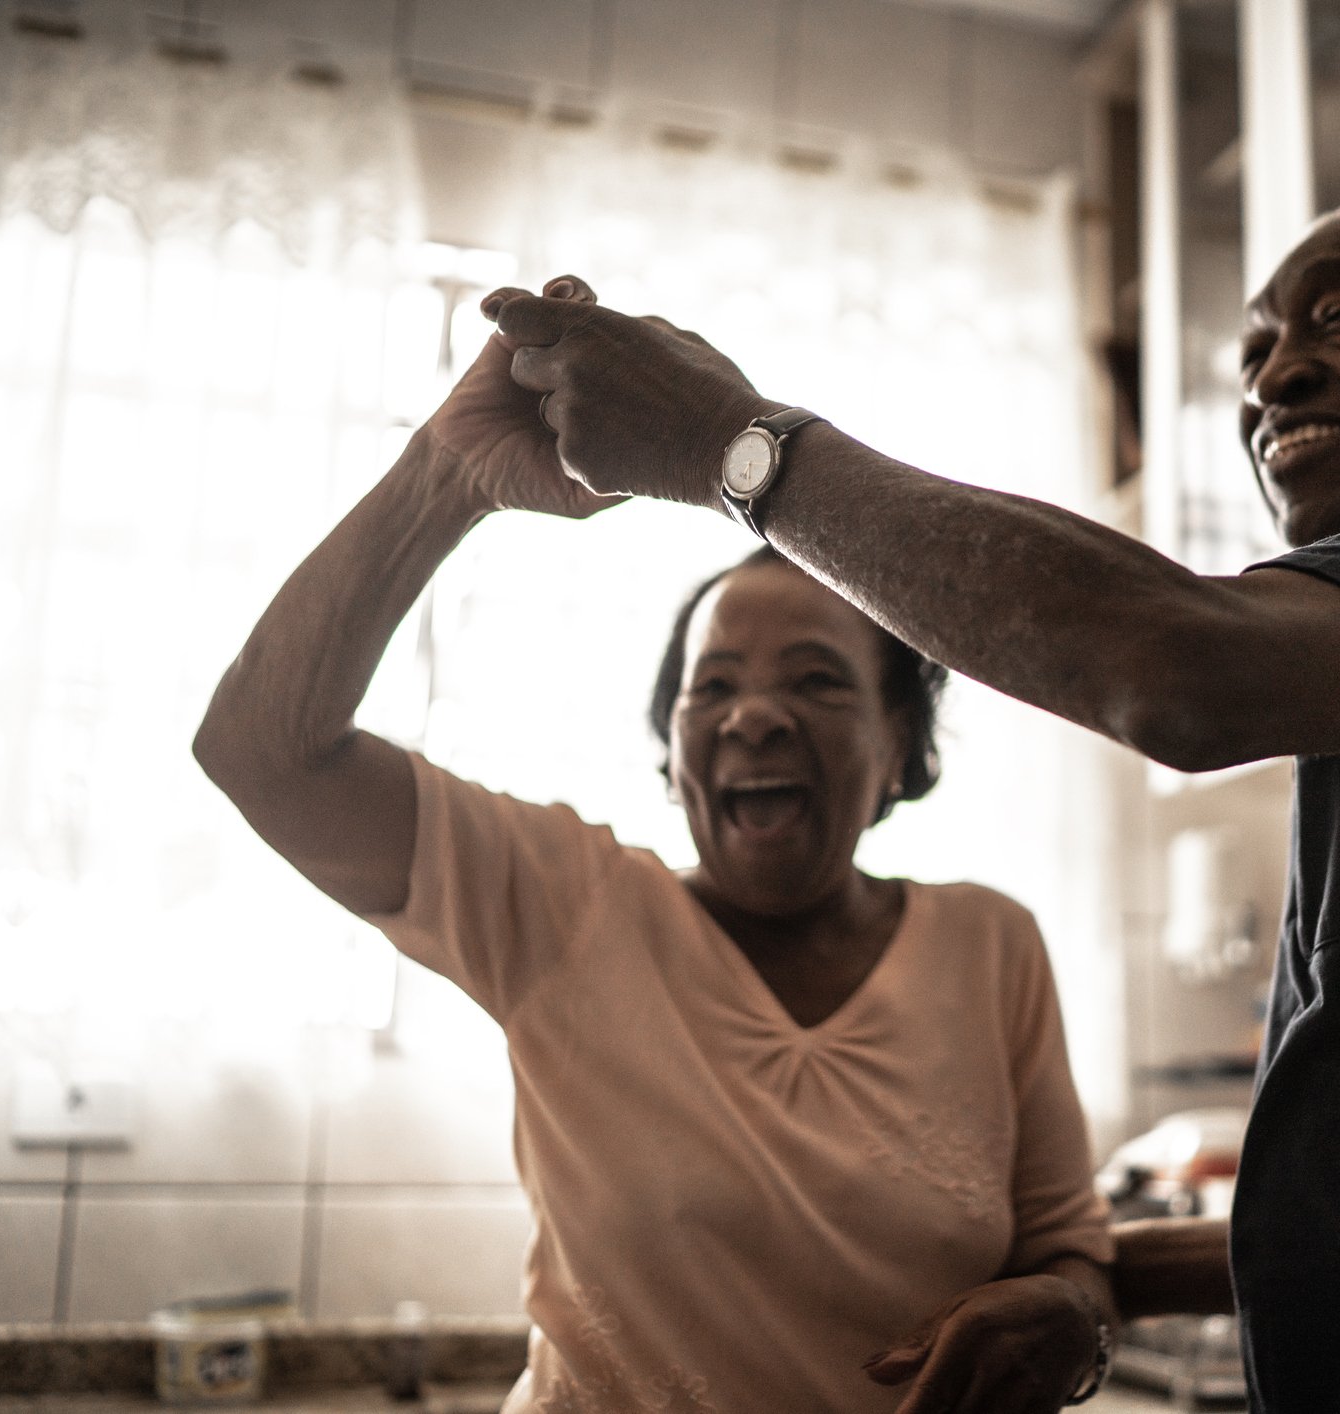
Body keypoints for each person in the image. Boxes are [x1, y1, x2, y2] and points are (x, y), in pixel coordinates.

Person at [480, 202, 1340, 1412]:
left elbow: (1173, 670)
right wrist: (1086, 1279)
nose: (1277, 373)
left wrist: (739, 446)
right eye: (1255, 348)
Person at [191, 324, 1117, 1414]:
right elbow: (263, 750)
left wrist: (1073, 1321)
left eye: (815, 682)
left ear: (902, 750)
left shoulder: (990, 944)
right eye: (711, 687)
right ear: (672, 757)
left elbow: (1071, 1254)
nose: (754, 716)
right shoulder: (563, 905)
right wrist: (447, 474)